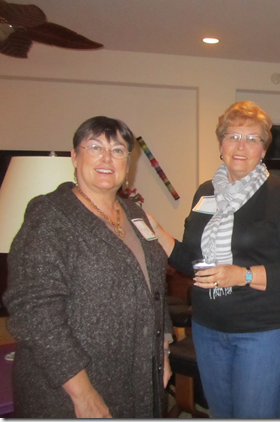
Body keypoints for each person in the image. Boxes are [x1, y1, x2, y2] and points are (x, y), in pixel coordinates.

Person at [148, 101, 280, 418]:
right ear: (221, 145)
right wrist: (157, 232)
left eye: (252, 139)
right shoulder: (205, 192)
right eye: (233, 136)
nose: (241, 146)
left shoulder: (279, 194)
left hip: (264, 332)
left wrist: (243, 275)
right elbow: (193, 261)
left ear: (263, 150)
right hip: (208, 328)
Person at [4, 116, 172, 418]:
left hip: (135, 376)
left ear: (127, 164)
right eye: (95, 147)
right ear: (74, 156)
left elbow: (155, 287)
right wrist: (82, 392)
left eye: (118, 150)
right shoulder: (50, 216)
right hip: (69, 389)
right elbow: (34, 313)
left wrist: (163, 352)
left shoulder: (135, 213)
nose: (107, 158)